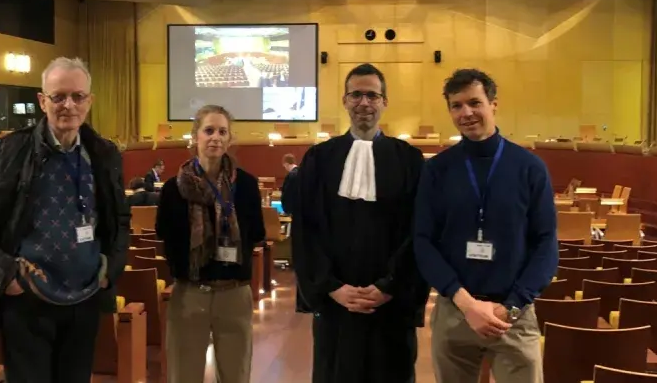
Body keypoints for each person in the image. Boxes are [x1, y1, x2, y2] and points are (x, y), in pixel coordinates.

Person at [0, 57, 130, 383]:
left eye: (78, 96)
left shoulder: (105, 154)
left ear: (89, 101)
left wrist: (109, 270)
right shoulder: (4, 154)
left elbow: (120, 219)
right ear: (42, 101)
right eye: (58, 96)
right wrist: (7, 277)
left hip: (85, 299)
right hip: (27, 304)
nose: (68, 105)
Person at [414, 68, 557, 383]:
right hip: (455, 310)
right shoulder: (437, 170)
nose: (466, 113)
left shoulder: (530, 168)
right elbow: (423, 241)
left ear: (493, 104)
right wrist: (465, 303)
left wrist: (512, 306)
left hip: (514, 315)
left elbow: (546, 243)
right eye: (456, 105)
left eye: (474, 103)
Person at [292, 63, 428, 383]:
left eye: (372, 95)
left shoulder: (409, 159)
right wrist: (332, 287)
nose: (363, 103)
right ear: (344, 100)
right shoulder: (318, 159)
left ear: (384, 102)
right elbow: (306, 230)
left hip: (390, 305)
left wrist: (389, 286)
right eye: (356, 95)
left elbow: (419, 230)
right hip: (337, 304)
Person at [156, 105, 265, 383]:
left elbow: (256, 233)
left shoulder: (248, 185)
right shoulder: (173, 189)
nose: (215, 137)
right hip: (190, 294)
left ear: (229, 139)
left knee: (235, 375)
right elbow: (165, 236)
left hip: (234, 294)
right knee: (184, 375)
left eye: (222, 131)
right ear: (195, 137)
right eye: (208, 130)